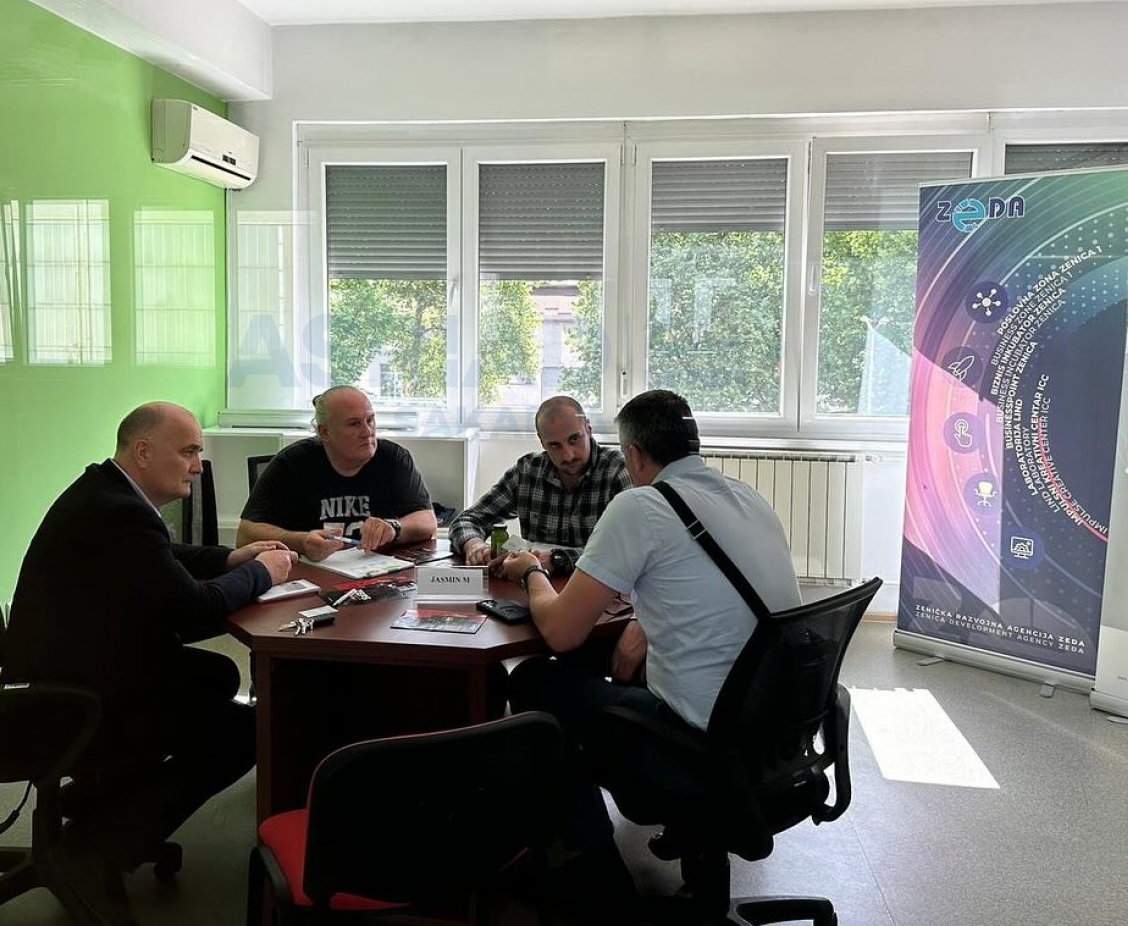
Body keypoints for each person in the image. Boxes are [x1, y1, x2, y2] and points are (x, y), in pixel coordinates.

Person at [497, 390, 801, 907]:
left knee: (535, 682)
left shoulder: (641, 505)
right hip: (775, 727)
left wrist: (530, 572)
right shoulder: (745, 495)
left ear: (634, 455)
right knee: (604, 666)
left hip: (705, 740)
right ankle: (701, 852)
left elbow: (563, 633)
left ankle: (595, 870)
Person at [1, 402, 296, 920]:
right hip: (76, 696)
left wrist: (230, 559)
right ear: (142, 451)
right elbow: (194, 608)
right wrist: (264, 573)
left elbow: (164, 558)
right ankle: (98, 848)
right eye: (188, 452)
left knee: (218, 675)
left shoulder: (109, 494)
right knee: (243, 730)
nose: (198, 466)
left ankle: (103, 800)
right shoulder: (118, 512)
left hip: (76, 667)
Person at [237, 385, 437, 561]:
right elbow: (245, 535)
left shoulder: (393, 458)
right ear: (325, 432)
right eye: (354, 424)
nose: (367, 431)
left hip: (376, 572)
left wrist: (394, 528)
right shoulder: (291, 463)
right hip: (311, 575)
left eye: (370, 420)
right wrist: (300, 541)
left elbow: (427, 521)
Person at [448, 395, 631, 569]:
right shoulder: (527, 471)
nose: (568, 455)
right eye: (555, 445)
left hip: (597, 585)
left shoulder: (618, 470)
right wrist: (475, 545)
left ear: (589, 430)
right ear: (542, 443)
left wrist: (557, 560)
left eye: (574, 439)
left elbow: (629, 548)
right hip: (531, 581)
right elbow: (467, 520)